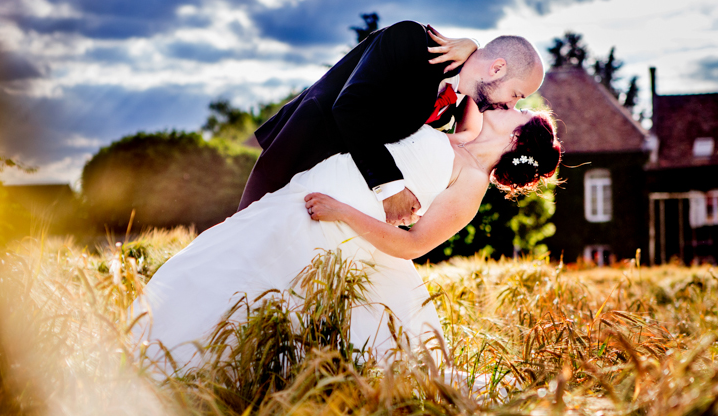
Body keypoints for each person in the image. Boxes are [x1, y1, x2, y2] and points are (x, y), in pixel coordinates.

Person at [130, 107, 562, 379]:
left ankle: (192, 370)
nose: (512, 106)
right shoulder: (466, 128)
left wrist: (342, 211)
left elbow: (412, 246)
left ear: (516, 139)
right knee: (221, 263)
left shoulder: (471, 185)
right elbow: (477, 70)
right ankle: (145, 351)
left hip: (334, 227)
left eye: (519, 112)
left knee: (260, 292)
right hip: (300, 198)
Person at [237, 20, 545, 227]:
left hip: (335, 198)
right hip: (300, 155)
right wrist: (391, 189)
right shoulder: (410, 40)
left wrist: (475, 46)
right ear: (497, 68)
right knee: (241, 242)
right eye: (516, 94)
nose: (510, 105)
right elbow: (350, 107)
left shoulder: (459, 104)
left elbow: (466, 138)